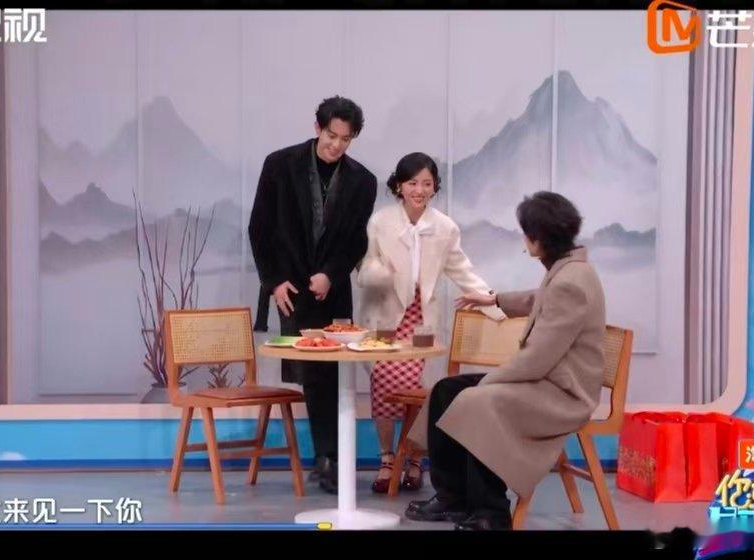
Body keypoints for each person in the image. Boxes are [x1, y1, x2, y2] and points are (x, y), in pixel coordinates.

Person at [404, 191, 606, 530]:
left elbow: (537, 360)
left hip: (563, 394)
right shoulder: (570, 270)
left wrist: (488, 382)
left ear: (538, 238)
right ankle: (453, 497)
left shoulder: (571, 281)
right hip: (548, 382)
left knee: (478, 401)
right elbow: (541, 298)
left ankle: (491, 512)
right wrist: (495, 299)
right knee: (446, 390)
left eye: (526, 233)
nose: (524, 240)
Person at [247, 96, 378, 494]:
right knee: (312, 373)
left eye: (346, 139)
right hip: (291, 288)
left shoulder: (363, 181)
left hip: (332, 291)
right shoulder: (279, 165)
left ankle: (332, 459)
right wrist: (275, 282)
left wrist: (331, 275)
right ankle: (326, 458)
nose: (336, 145)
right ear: (318, 127)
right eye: (331, 135)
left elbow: (356, 240)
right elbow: (260, 228)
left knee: (336, 372)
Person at [357, 152, 503, 494]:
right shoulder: (380, 222)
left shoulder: (445, 227)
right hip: (385, 318)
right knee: (384, 389)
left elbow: (462, 271)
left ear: (435, 187)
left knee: (422, 392)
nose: (419, 190)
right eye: (412, 183)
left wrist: (497, 304)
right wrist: (381, 273)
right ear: (399, 185)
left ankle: (414, 460)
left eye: (427, 183)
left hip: (422, 321)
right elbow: (364, 268)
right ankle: (387, 458)